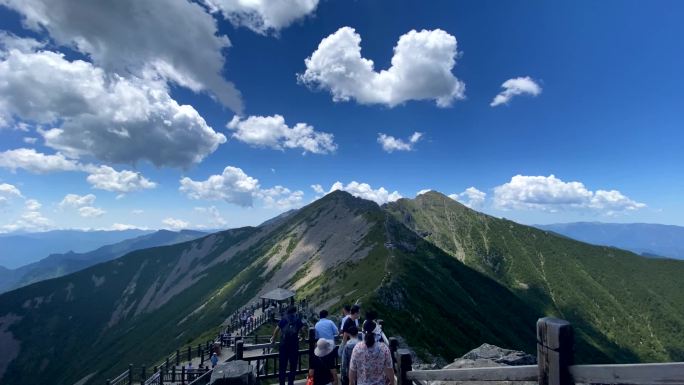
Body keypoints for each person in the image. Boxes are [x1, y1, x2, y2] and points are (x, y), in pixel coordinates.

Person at [270, 306, 306, 385]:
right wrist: (303, 338)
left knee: (282, 366)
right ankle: (290, 382)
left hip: (283, 345)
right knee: (293, 366)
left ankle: (282, 383)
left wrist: (273, 338)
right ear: (294, 312)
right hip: (294, 345)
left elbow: (277, 329)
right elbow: (303, 330)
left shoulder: (284, 319)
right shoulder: (297, 320)